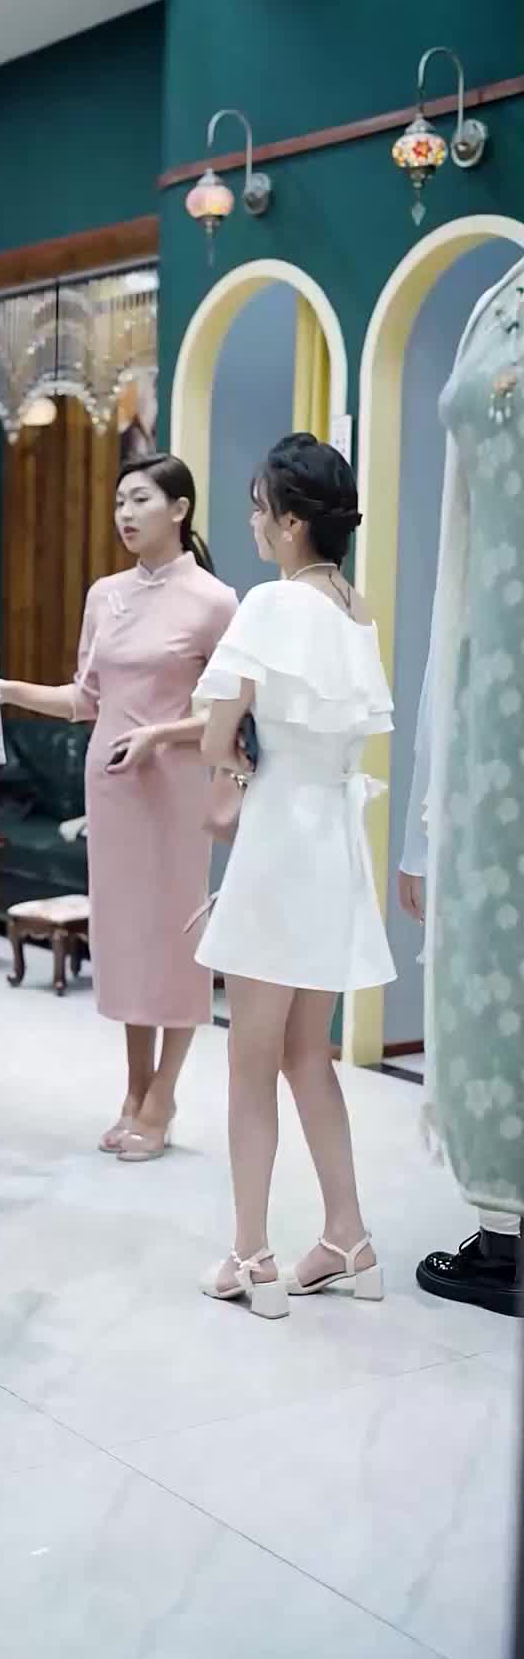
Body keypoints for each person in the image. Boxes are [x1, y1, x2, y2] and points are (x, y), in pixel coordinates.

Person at [193, 434, 396, 1318]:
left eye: (259, 509)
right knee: (308, 1054)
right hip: (334, 847)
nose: (252, 523)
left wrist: (232, 767)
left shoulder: (271, 605)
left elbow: (217, 736)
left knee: (251, 1059)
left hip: (279, 841)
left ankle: (251, 1256)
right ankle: (349, 1236)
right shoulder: (357, 613)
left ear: (289, 523)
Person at [0, 455, 237, 1158]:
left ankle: (163, 1096)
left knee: (176, 938)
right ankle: (133, 1090)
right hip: (112, 788)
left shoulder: (216, 602)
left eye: (140, 500)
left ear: (180, 509)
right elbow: (86, 699)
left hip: (176, 788)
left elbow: (232, 717)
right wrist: (5, 689)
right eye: (119, 503)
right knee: (127, 937)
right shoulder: (104, 595)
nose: (125, 515)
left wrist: (160, 735)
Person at [399, 650, 522, 1316]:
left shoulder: (479, 610)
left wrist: (419, 851)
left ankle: (504, 1246)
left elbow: (440, 725)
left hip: (489, 841)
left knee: (492, 1030)